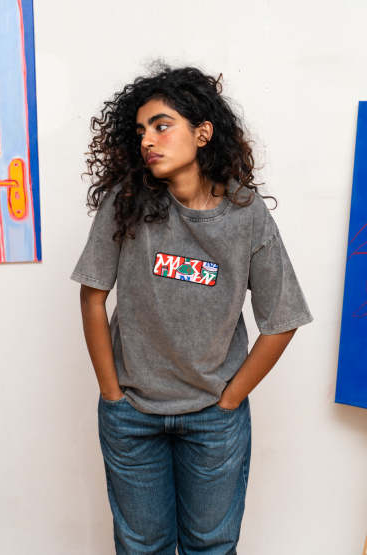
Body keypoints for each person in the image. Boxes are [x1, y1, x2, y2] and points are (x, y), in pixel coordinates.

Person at [70, 62, 314, 554]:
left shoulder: (245, 214)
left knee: (211, 546)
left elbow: (282, 319)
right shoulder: (126, 202)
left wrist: (230, 399)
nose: (147, 140)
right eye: (141, 130)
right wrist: (112, 394)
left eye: (162, 126)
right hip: (132, 414)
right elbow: (92, 295)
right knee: (142, 547)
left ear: (203, 133)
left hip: (213, 420)